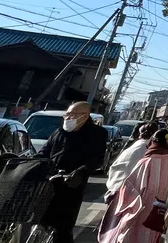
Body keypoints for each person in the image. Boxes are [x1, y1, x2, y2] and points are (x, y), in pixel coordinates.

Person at [37, 102, 110, 243]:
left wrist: (80, 171)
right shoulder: (59, 132)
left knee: (63, 226)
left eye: (72, 115)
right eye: (67, 114)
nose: (68, 117)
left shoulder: (97, 134)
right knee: (40, 219)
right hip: (48, 181)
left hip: (71, 185)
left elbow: (97, 159)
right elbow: (44, 152)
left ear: (85, 116)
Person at [98, 129, 168, 243]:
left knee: (133, 235)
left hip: (142, 208)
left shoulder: (146, 161)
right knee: (151, 235)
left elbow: (131, 187)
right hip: (161, 208)